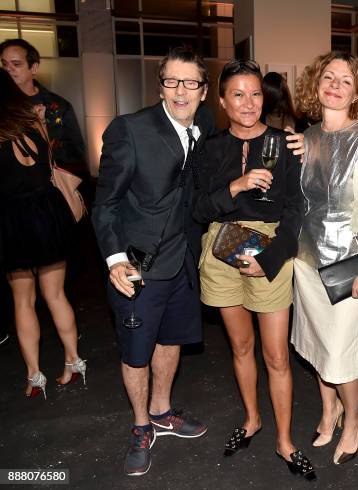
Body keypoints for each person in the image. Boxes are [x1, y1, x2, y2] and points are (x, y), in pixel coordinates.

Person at [92, 46, 213, 477]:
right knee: (137, 352)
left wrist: (290, 140)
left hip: (182, 260)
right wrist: (115, 259)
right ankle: (141, 425)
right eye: (171, 81)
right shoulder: (131, 129)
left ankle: (162, 412)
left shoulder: (205, 127)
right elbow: (105, 203)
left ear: (203, 89)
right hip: (138, 266)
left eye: (190, 82)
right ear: (160, 84)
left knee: (172, 339)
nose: (180, 91)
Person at [193, 59, 316, 480]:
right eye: (238, 95)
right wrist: (236, 186)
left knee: (277, 355)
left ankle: (284, 440)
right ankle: (251, 419)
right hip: (221, 249)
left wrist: (269, 258)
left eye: (256, 94)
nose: (249, 103)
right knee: (241, 348)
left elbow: (297, 210)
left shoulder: (287, 144)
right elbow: (199, 208)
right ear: (223, 101)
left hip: (270, 250)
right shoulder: (209, 148)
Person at [291, 51, 358, 465]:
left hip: (347, 268)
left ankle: (353, 419)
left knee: (342, 356)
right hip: (306, 262)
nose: (334, 84)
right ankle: (328, 410)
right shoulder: (307, 136)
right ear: (316, 84)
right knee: (316, 348)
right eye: (327, 77)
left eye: (345, 81)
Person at [0, 69, 85, 399]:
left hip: (11, 219)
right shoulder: (35, 122)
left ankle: (35, 375)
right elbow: (48, 164)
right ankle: (74, 361)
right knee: (56, 295)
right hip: (47, 214)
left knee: (23, 300)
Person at [0, 39, 86, 177]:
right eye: (4, 64)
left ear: (33, 68)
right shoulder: (3, 105)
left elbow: (76, 152)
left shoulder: (59, 106)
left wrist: (43, 137)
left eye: (16, 64)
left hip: (47, 186)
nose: (7, 69)